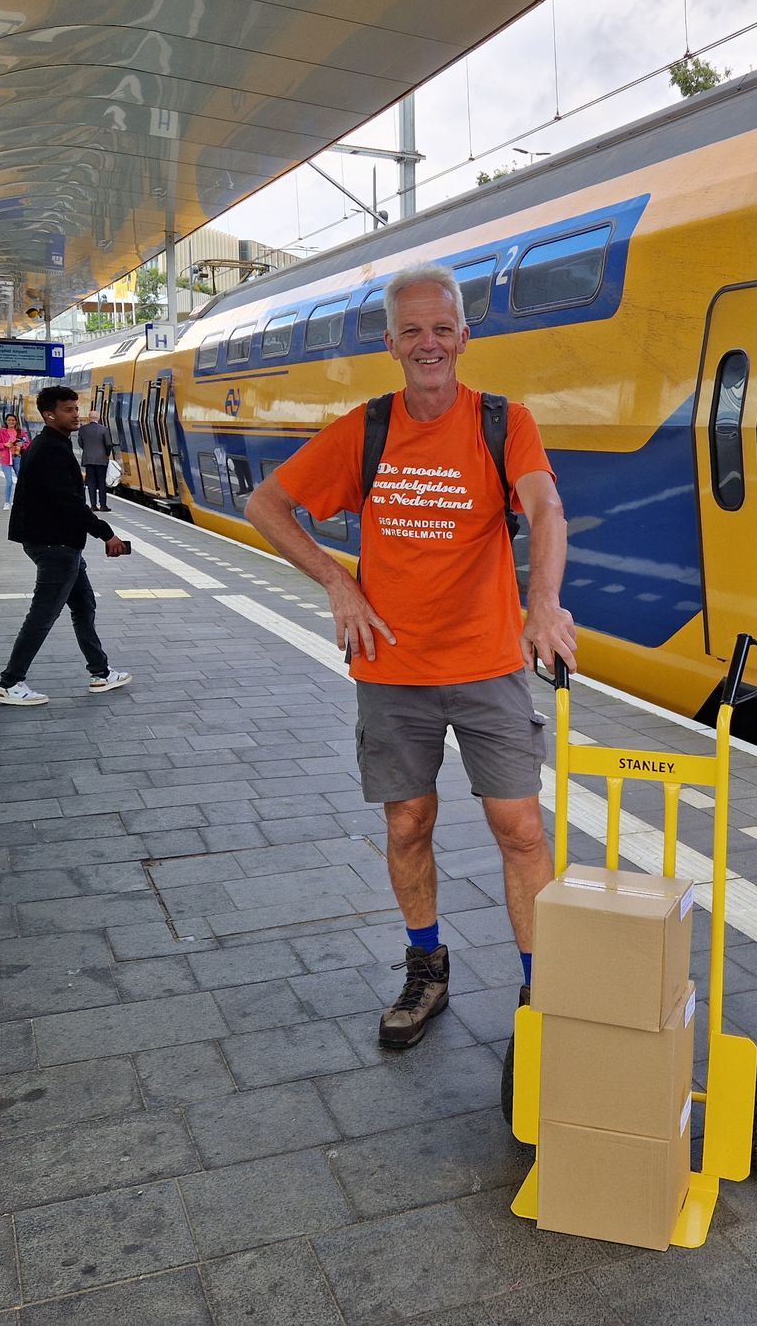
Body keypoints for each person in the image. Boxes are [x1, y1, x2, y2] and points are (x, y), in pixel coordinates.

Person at [245, 262, 576, 1051]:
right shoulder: (366, 429)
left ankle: (544, 991)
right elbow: (267, 504)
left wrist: (543, 602)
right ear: (391, 344)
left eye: (442, 329)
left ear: (464, 337)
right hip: (392, 669)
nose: (429, 343)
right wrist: (339, 583)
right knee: (407, 823)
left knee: (520, 828)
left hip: (487, 663)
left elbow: (546, 508)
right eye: (413, 331)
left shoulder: (503, 422)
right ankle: (427, 968)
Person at [0, 385, 133, 707]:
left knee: (83, 605)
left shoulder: (52, 444)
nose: (76, 415)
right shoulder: (51, 450)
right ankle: (9, 683)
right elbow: (68, 503)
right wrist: (106, 534)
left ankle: (101, 672)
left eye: (76, 408)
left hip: (57, 542)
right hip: (54, 545)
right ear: (49, 414)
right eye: (68, 410)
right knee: (43, 614)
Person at [0, 412, 30, 510]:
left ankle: (19, 501)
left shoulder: (21, 432)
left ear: (16, 421)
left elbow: (28, 444)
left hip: (18, 458)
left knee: (21, 481)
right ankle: (7, 502)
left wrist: (22, 445)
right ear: (6, 421)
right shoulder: (1, 432)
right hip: (6, 459)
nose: (11, 422)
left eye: (13, 420)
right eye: (9, 420)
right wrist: (4, 445)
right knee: (9, 481)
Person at [77, 409, 112, 512]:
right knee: (101, 482)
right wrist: (106, 454)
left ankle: (93, 505)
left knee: (91, 482)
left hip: (88, 459)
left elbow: (80, 443)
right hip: (101, 460)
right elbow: (108, 444)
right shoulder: (104, 429)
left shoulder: (83, 429)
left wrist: (88, 451)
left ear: (89, 418)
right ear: (98, 418)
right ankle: (103, 505)